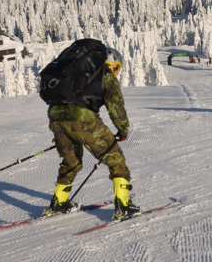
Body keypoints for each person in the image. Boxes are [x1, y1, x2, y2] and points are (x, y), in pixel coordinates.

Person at [43, 47, 141, 219]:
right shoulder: (106, 75)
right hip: (82, 119)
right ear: (110, 63)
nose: (116, 72)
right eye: (117, 67)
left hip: (56, 117)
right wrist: (123, 129)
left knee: (71, 161)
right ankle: (123, 207)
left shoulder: (75, 76)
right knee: (116, 160)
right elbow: (115, 106)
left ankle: (59, 203)